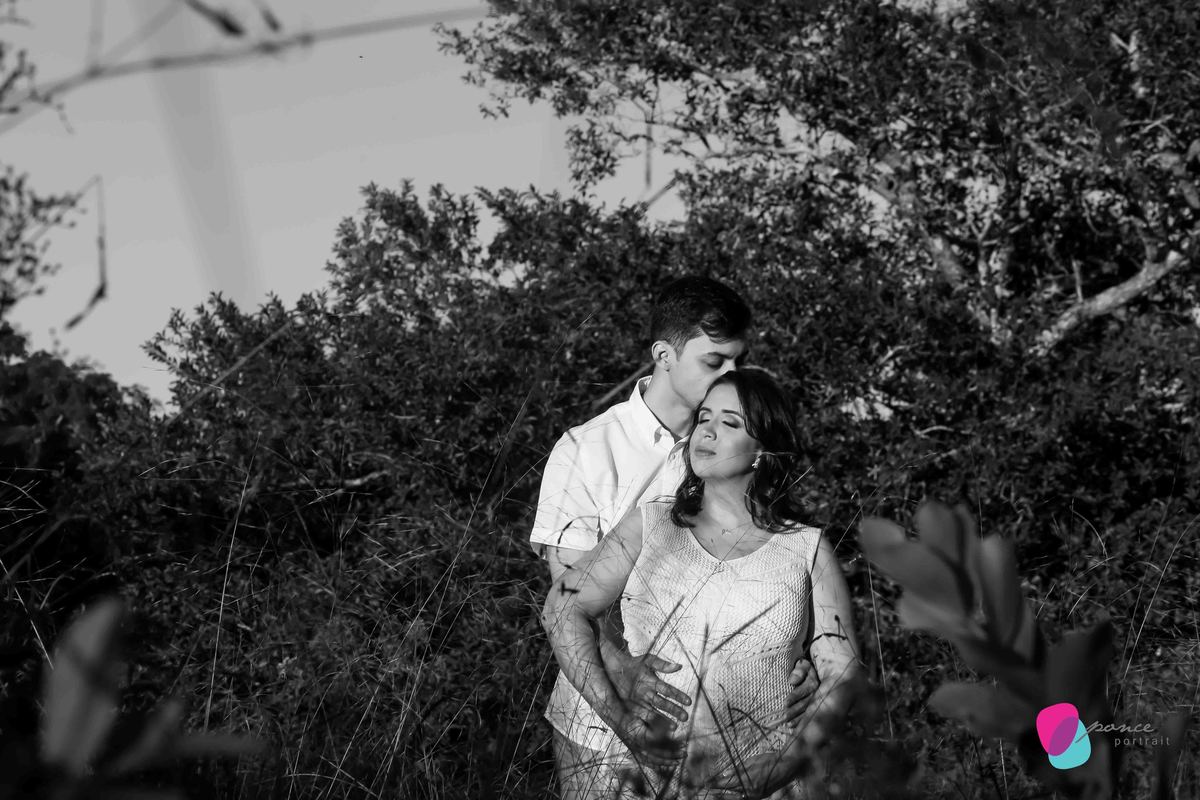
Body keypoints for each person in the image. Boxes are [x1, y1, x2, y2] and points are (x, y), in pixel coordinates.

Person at [531, 277, 818, 799]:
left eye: (739, 360)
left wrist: (798, 665)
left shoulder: (738, 444)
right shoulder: (586, 451)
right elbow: (568, 599)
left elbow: (774, 564)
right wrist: (622, 674)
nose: (731, 374)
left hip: (727, 741)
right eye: (715, 361)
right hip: (599, 727)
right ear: (664, 354)